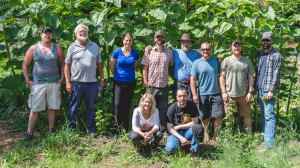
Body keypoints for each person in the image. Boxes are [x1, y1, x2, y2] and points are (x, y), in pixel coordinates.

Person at [22, 27, 65, 140]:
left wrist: (62, 78)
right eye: (45, 33)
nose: (48, 35)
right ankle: (29, 133)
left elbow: (63, 63)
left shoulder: (57, 48)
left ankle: (51, 130)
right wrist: (28, 81)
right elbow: (25, 65)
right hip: (38, 84)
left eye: (50, 33)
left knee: (53, 107)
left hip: (54, 83)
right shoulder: (33, 48)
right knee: (35, 108)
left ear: (52, 36)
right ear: (40, 35)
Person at [64, 24, 105, 137]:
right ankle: (72, 128)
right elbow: (67, 65)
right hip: (76, 82)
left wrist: (102, 78)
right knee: (73, 106)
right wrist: (67, 81)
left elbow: (99, 63)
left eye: (85, 31)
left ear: (88, 33)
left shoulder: (94, 46)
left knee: (91, 107)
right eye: (80, 31)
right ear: (76, 34)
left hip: (92, 82)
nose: (83, 33)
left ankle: (91, 129)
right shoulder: (72, 47)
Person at [190, 42, 224, 142]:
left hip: (216, 92)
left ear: (211, 49)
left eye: (208, 49)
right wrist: (194, 94)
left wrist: (223, 91)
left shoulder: (216, 61)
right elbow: (192, 79)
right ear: (200, 50)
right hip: (202, 93)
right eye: (203, 49)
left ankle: (215, 135)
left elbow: (221, 75)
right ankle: (206, 135)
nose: (206, 51)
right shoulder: (197, 63)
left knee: (218, 115)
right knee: (204, 116)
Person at [141, 30, 174, 133]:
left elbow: (171, 65)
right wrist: (145, 81)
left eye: (161, 37)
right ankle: (148, 129)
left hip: (164, 85)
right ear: (154, 39)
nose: (159, 39)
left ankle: (162, 131)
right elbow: (145, 67)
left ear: (164, 38)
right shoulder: (149, 51)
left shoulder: (169, 52)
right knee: (149, 108)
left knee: (163, 110)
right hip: (152, 85)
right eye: (157, 37)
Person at [219, 40, 254, 133]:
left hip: (243, 94)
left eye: (238, 46)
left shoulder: (247, 61)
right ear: (231, 48)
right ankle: (228, 134)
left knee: (247, 115)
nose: (236, 48)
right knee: (228, 116)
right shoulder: (227, 60)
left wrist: (250, 92)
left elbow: (251, 77)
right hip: (229, 94)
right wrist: (223, 92)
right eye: (234, 46)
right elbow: (222, 77)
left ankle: (249, 133)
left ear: (241, 48)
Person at [257, 32, 282, 149]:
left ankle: (270, 144)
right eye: (264, 40)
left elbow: (276, 75)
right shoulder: (261, 54)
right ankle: (266, 139)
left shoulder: (276, 55)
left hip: (268, 90)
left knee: (269, 116)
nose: (265, 42)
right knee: (263, 115)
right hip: (260, 89)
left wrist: (272, 90)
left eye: (267, 40)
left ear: (271, 41)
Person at [109, 33, 139, 134]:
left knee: (126, 105)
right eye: (126, 40)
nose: (128, 42)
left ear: (132, 42)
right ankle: (115, 130)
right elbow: (111, 65)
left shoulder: (134, 53)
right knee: (117, 105)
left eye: (130, 40)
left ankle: (125, 128)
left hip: (130, 83)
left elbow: (134, 67)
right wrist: (117, 75)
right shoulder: (117, 52)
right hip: (118, 82)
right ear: (123, 41)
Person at [165, 88, 204, 156]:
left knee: (198, 128)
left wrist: (180, 126)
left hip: (188, 131)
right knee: (170, 149)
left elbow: (195, 122)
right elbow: (169, 128)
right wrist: (180, 138)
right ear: (176, 97)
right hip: (175, 133)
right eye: (180, 96)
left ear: (187, 96)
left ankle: (194, 151)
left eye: (184, 96)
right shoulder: (171, 108)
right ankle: (181, 145)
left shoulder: (192, 105)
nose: (182, 98)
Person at [173, 34, 201, 100]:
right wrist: (149, 48)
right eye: (183, 42)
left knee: (190, 104)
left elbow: (205, 57)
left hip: (190, 84)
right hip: (178, 83)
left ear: (191, 43)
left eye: (187, 42)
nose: (185, 44)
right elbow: (164, 52)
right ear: (180, 43)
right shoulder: (175, 52)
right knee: (178, 104)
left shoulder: (196, 54)